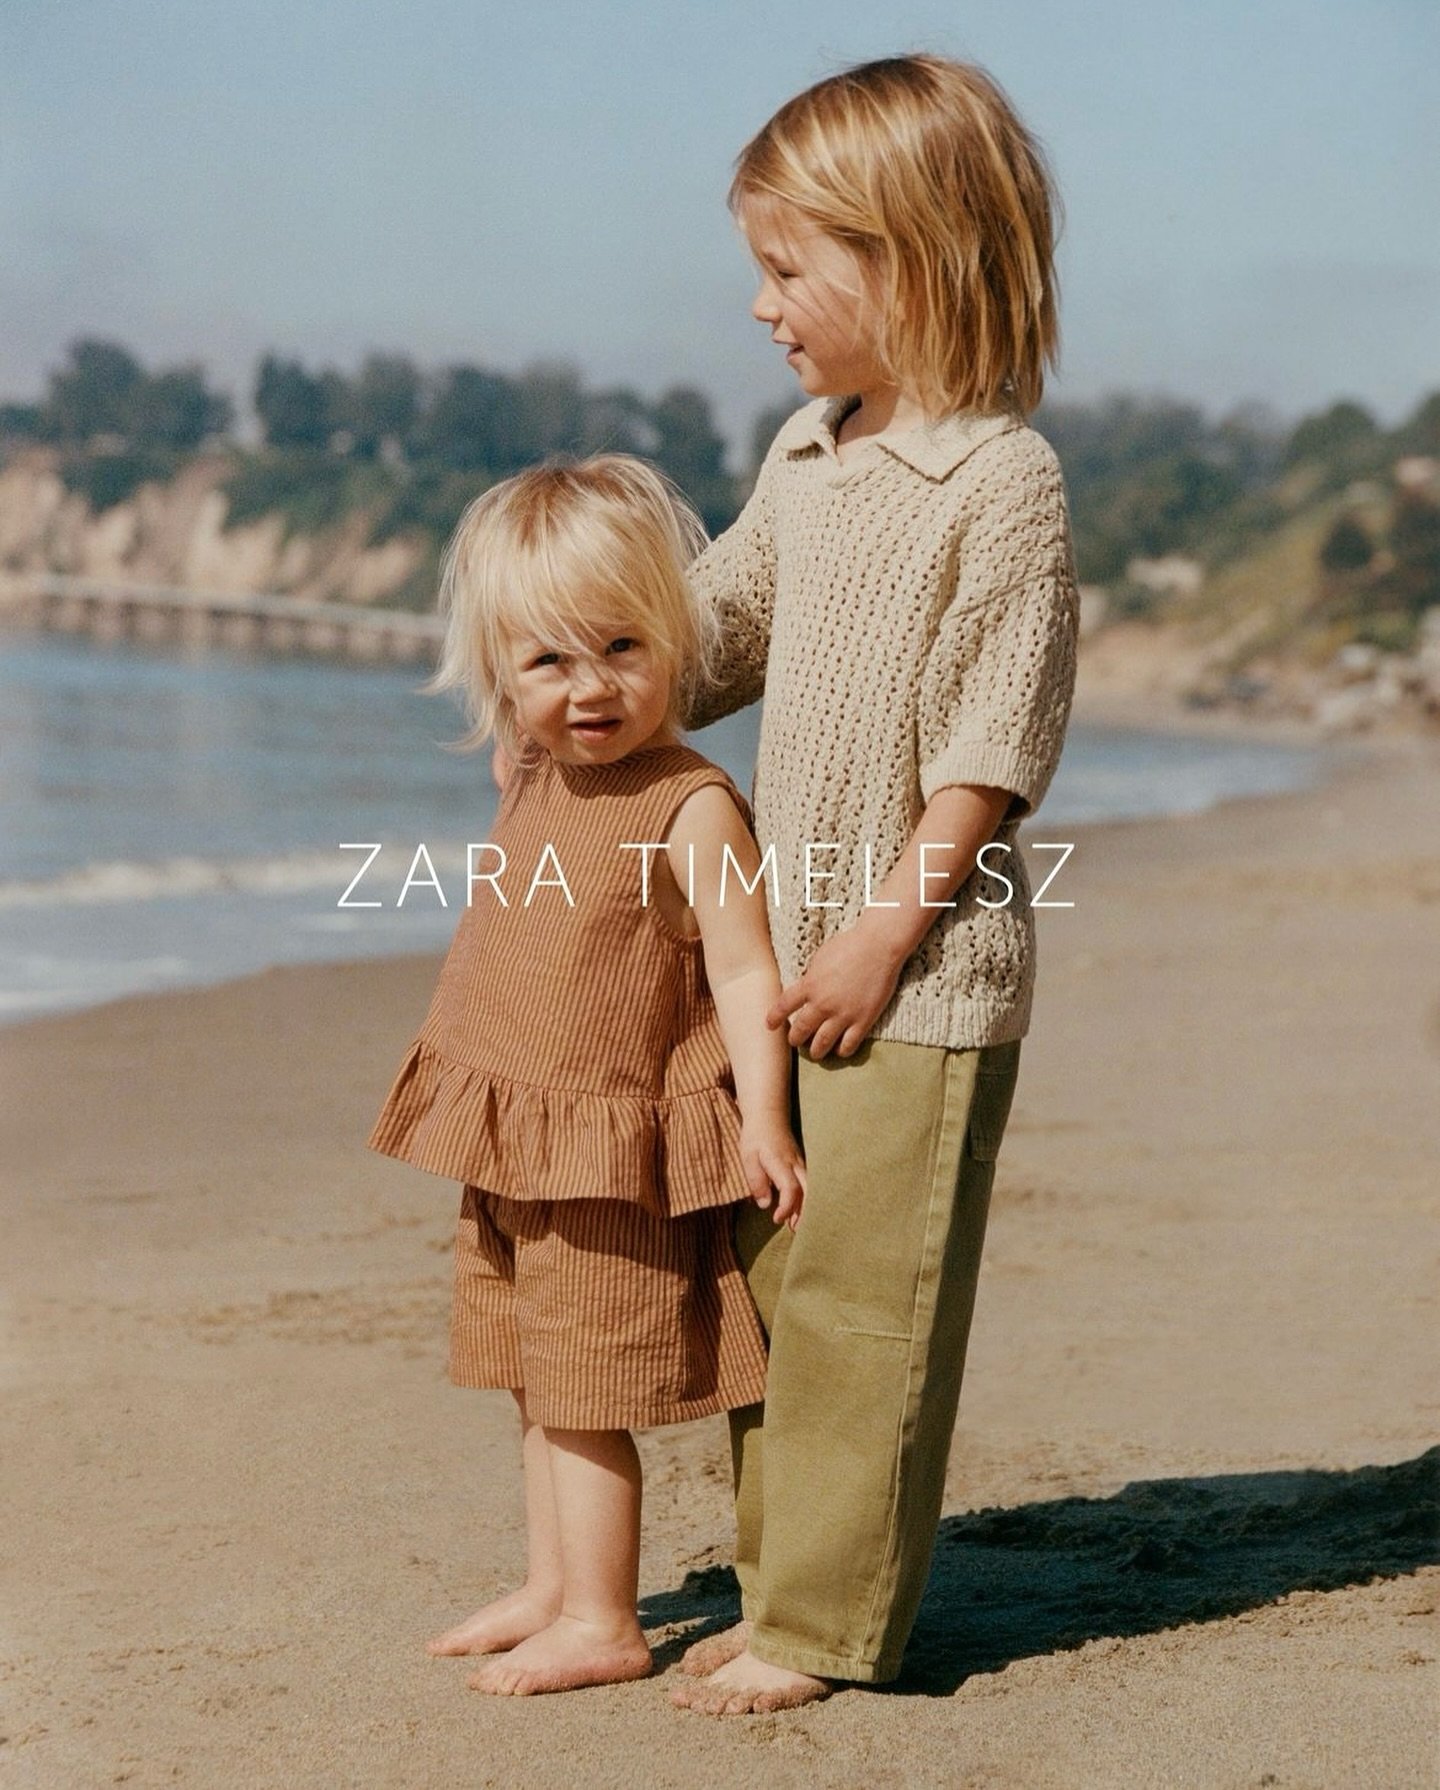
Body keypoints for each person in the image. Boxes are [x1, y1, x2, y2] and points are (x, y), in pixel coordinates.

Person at [668, 54, 1080, 1716]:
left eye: (790, 268)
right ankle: (782, 1577)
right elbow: (718, 634)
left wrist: (881, 938)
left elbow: (992, 748)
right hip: (783, 957)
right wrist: (582, 661)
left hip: (913, 965)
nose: (763, 305)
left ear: (912, 257)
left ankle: (828, 1624)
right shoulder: (810, 453)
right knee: (775, 1281)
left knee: (866, 1296)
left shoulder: (1003, 481)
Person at [368, 455, 805, 1698]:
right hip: (513, 1122)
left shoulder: (690, 805)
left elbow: (741, 971)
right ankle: (554, 1581)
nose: (592, 686)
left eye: (622, 645)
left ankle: (606, 1616)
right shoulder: (534, 765)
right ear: (502, 672)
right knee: (527, 1369)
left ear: (674, 636)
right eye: (548, 660)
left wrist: (764, 1118)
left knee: (584, 1382)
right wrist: (523, 729)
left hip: (606, 1146)